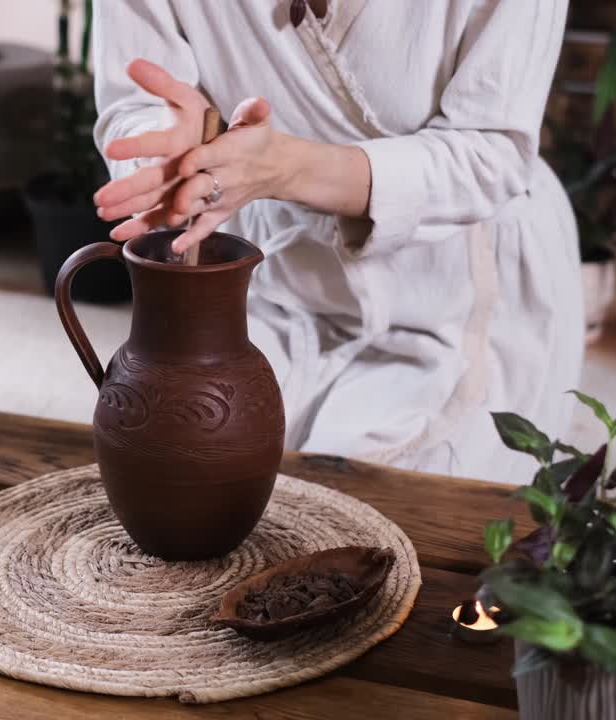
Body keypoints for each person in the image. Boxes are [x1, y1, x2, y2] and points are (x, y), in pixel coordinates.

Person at [91, 0, 583, 483]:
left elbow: (492, 152)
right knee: (194, 466)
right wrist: (176, 156)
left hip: (458, 287)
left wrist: (286, 168)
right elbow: (133, 107)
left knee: (366, 506)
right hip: (274, 279)